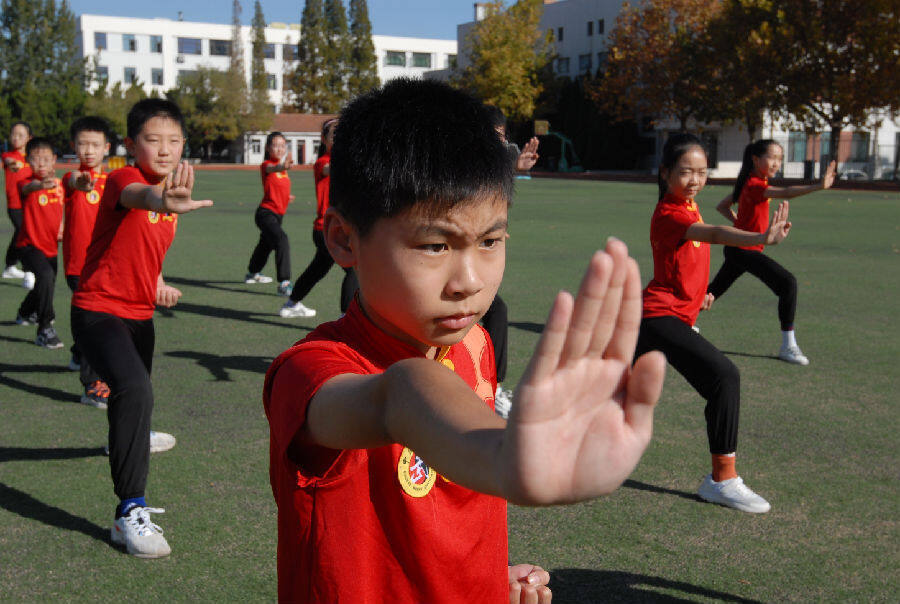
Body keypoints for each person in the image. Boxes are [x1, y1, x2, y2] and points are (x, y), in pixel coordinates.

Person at [263, 79, 665, 602]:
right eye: (435, 244)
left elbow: (452, 510)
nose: (469, 281)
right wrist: (505, 453)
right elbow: (397, 396)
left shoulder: (475, 344)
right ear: (343, 239)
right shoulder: (309, 373)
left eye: (491, 241)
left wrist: (484, 579)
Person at [70, 98, 212, 558]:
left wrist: (158, 282)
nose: (165, 149)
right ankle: (130, 510)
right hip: (98, 309)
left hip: (139, 315)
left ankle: (130, 438)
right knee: (136, 390)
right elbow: (140, 199)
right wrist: (160, 199)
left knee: (134, 397)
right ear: (132, 145)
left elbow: (142, 246)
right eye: (153, 140)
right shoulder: (125, 179)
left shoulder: (171, 192)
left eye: (174, 141)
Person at [636, 133, 793, 514]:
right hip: (659, 316)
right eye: (686, 172)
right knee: (725, 377)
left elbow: (685, 261)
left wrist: (698, 296)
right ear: (665, 172)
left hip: (669, 314)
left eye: (703, 172)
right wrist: (758, 236)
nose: (695, 179)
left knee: (611, 391)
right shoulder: (671, 212)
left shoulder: (689, 205)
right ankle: (722, 480)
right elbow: (716, 234)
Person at [707, 139, 836, 365]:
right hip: (743, 250)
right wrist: (818, 185)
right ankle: (788, 346)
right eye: (772, 157)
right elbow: (786, 191)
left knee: (712, 293)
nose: (777, 162)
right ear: (756, 159)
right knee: (787, 283)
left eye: (780, 158)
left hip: (739, 248)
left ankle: (676, 323)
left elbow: (722, 206)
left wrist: (739, 225)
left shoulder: (749, 181)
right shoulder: (756, 184)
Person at [481, 106, 541, 418]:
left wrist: (515, 167)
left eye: (502, 138)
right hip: (453, 255)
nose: (499, 145)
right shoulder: (464, 165)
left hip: (477, 253)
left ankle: (491, 387)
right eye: (493, 138)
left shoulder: (494, 169)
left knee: (493, 310)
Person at [280, 118, 357, 318]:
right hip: (326, 229)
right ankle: (345, 320)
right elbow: (332, 169)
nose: (339, 138)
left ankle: (291, 304)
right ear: (324, 139)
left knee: (318, 270)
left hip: (331, 229)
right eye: (334, 134)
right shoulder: (323, 163)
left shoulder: (343, 163)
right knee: (353, 269)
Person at [62, 116, 111, 407]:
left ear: (107, 147)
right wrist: (78, 181)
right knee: (94, 320)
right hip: (78, 265)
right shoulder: (72, 179)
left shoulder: (114, 183)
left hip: (106, 265)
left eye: (95, 145)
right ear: (73, 146)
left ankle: (79, 352)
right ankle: (92, 383)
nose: (89, 150)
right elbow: (71, 181)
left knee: (91, 318)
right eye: (82, 144)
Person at [14, 137, 64, 348]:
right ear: (28, 162)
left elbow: (64, 209)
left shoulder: (61, 185)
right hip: (28, 245)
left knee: (47, 283)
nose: (41, 164)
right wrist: (39, 185)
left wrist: (62, 226)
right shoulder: (25, 182)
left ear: (54, 160)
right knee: (45, 276)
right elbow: (28, 189)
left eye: (45, 159)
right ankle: (44, 329)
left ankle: (25, 312)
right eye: (36, 159)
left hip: (51, 246)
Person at [245, 131, 294, 295]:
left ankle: (252, 273)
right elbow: (275, 168)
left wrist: (288, 197)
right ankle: (284, 282)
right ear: (268, 148)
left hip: (278, 216)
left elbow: (279, 188)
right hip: (266, 214)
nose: (279, 149)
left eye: (282, 146)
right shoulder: (267, 165)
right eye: (275, 145)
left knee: (265, 245)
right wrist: (283, 166)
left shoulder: (284, 171)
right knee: (281, 240)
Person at [2, 121, 35, 288]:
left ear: (29, 138)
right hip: (15, 206)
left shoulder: (32, 159)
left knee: (19, 234)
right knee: (25, 234)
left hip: (30, 205)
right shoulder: (9, 156)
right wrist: (12, 164)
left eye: (20, 135)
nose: (16, 138)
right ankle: (29, 272)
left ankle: (10, 265)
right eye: (13, 134)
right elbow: (9, 162)